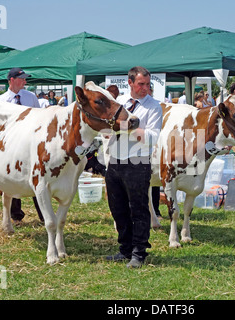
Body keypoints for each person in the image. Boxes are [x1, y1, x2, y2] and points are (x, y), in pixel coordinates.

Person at [105, 66, 163, 268]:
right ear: (130, 83)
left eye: (148, 84)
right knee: (117, 208)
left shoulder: (153, 107)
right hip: (115, 160)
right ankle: (125, 249)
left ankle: (139, 252)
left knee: (138, 208)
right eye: (141, 84)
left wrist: (126, 127)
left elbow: (152, 137)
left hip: (138, 161)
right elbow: (107, 127)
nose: (145, 88)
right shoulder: (118, 103)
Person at [0, 67, 43, 223]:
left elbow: (40, 118)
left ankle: (43, 215)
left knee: (38, 178)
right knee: (13, 179)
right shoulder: (1, 102)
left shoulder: (31, 97)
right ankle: (16, 215)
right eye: (22, 78)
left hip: (31, 144)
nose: (25, 81)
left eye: (25, 78)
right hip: (12, 147)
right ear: (12, 80)